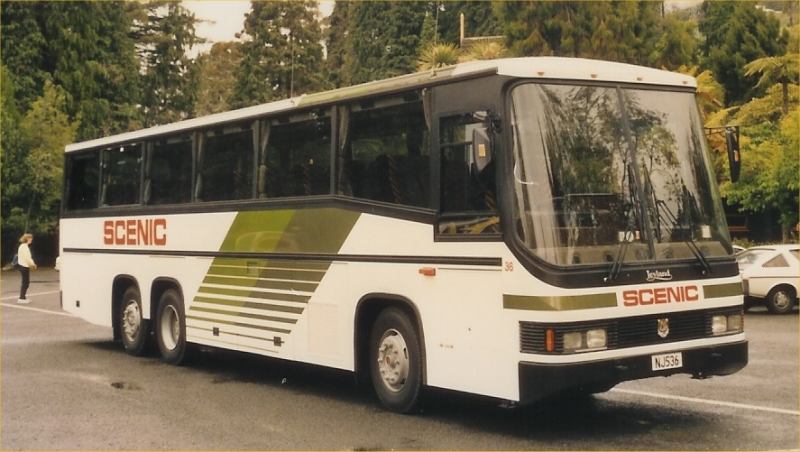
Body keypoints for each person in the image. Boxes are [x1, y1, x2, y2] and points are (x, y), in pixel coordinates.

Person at [16, 233, 37, 304]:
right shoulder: (25, 247)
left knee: (25, 282)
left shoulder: (22, 246)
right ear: (27, 239)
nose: (31, 240)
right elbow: (28, 258)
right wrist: (33, 265)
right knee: (26, 282)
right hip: (24, 266)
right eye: (30, 238)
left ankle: (23, 297)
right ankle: (21, 298)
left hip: (22, 265)